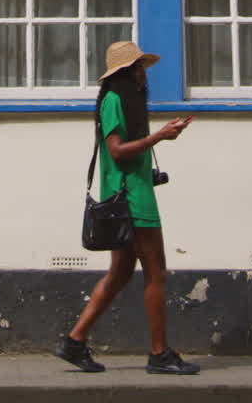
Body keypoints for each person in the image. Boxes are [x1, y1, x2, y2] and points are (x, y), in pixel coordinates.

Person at [55, 40, 200, 376]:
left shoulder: (124, 102)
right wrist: (159, 137)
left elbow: (125, 154)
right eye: (137, 69)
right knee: (156, 272)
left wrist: (158, 143)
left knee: (120, 273)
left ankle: (74, 342)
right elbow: (117, 151)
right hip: (132, 201)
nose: (143, 75)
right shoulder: (113, 101)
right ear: (123, 73)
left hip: (132, 194)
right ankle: (159, 353)